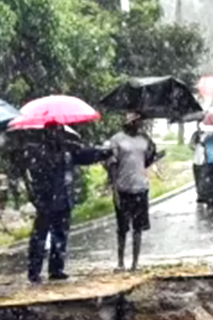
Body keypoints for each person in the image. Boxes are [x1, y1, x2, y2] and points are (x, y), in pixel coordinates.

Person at [24, 128, 108, 283]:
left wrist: (101, 153)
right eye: (55, 132)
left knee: (60, 235)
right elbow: (35, 173)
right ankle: (34, 272)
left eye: (60, 132)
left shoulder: (67, 150)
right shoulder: (38, 152)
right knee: (40, 237)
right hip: (46, 201)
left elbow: (84, 155)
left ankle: (56, 269)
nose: (58, 136)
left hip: (63, 200)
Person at [103, 114, 160, 270]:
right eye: (135, 121)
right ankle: (120, 262)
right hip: (123, 188)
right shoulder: (117, 140)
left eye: (140, 121)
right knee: (122, 228)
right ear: (128, 122)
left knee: (138, 228)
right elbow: (111, 165)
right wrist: (114, 188)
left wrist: (153, 150)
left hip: (140, 188)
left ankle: (135, 263)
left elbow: (148, 159)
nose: (138, 124)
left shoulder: (144, 140)